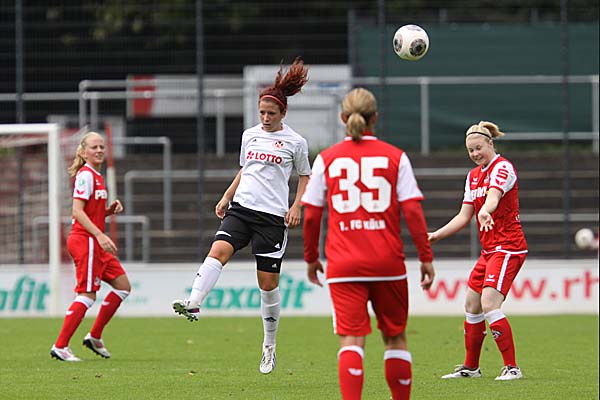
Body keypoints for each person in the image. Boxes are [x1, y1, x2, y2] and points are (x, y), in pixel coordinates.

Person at [172, 57, 311, 375]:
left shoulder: (296, 142)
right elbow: (245, 170)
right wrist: (226, 195)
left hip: (272, 218)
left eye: (271, 113)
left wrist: (297, 206)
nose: (265, 118)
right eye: (262, 112)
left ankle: (269, 346)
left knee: (268, 286)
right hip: (242, 209)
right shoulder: (250, 135)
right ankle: (194, 302)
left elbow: (305, 176)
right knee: (217, 251)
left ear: (283, 113)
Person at [302, 87, 435, 400]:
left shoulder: (326, 159)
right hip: (387, 263)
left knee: (351, 341)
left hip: (344, 264)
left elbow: (311, 217)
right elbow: (413, 212)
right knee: (395, 338)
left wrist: (311, 257)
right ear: (375, 117)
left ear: (342, 118)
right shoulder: (396, 157)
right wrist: (425, 257)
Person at [429, 121, 527, 381]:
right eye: (470, 150)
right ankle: (471, 367)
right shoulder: (473, 176)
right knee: (472, 305)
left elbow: (494, 197)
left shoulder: (502, 167)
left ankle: (512, 368)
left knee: (489, 303)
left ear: (490, 144)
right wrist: (436, 235)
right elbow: (463, 216)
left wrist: (485, 210)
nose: (475, 154)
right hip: (489, 250)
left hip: (508, 247)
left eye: (478, 148)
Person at [50, 131, 131, 362]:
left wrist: (107, 212)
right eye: (94, 147)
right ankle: (60, 346)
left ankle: (94, 336)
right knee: (87, 294)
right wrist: (99, 234)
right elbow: (77, 212)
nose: (99, 150)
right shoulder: (85, 176)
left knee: (123, 286)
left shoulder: (96, 176)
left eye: (101, 147)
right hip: (86, 241)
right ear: (83, 152)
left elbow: (89, 212)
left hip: (94, 241)